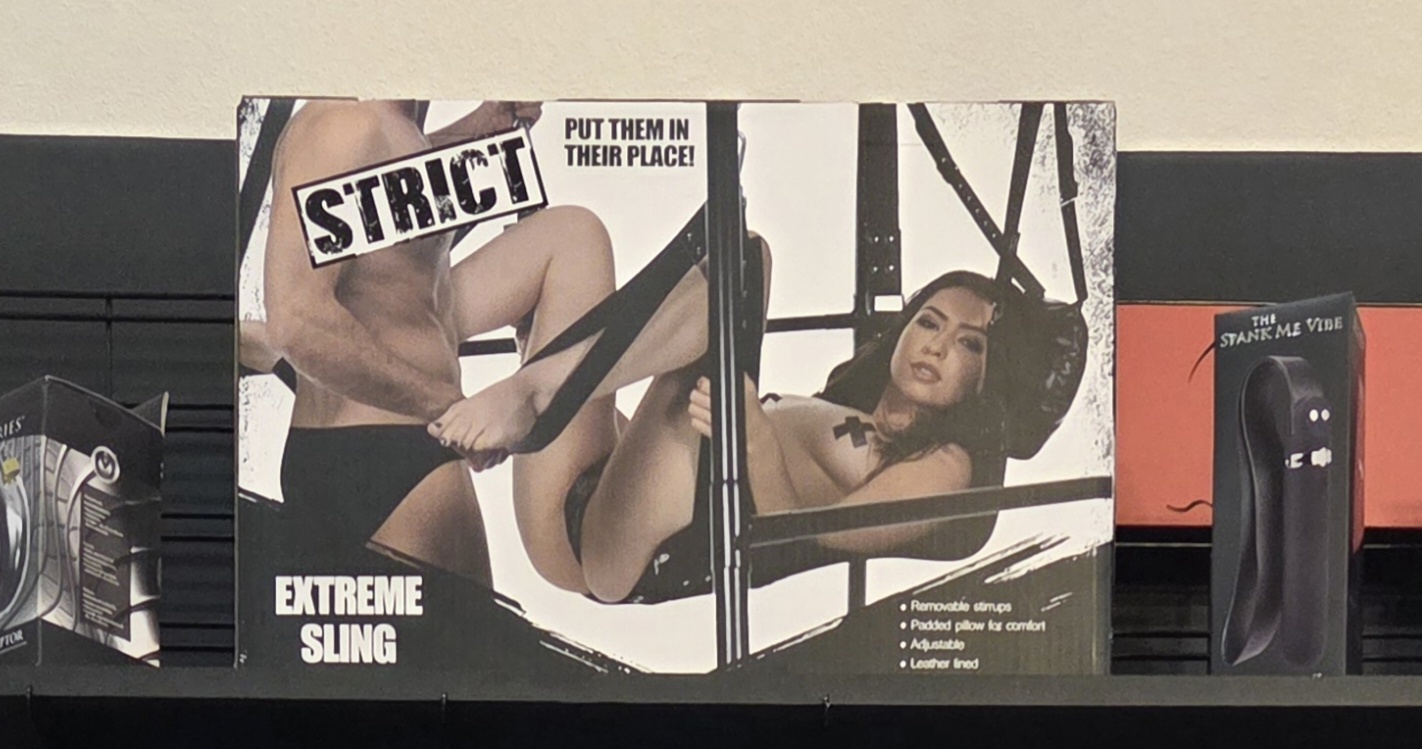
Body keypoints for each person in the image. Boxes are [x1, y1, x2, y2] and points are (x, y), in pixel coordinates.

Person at [429, 233, 1012, 606]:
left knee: (743, 263)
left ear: (988, 377)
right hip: (604, 491)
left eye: (970, 344)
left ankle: (540, 393)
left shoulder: (948, 465)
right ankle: (402, 339)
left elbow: (809, 547)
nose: (937, 346)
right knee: (575, 240)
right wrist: (592, 408)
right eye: (929, 322)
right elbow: (677, 452)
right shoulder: (849, 406)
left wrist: (756, 441)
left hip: (632, 554)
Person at [250, 99, 556, 586]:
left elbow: (385, 217)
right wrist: (450, 409)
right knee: (466, 638)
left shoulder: (394, 128)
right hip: (400, 450)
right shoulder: (342, 124)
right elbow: (297, 320)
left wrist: (480, 128)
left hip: (374, 450)